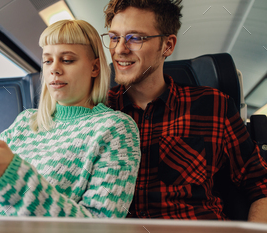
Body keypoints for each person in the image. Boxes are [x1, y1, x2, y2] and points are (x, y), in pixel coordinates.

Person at [0, 19, 141, 218]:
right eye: (47, 60)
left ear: (95, 68)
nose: (54, 69)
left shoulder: (116, 129)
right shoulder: (24, 122)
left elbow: (100, 225)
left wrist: (15, 179)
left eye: (67, 60)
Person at [103, 0, 267, 221]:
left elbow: (261, 184)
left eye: (136, 38)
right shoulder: (98, 111)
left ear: (168, 45)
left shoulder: (213, 107)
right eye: (114, 37)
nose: (120, 49)